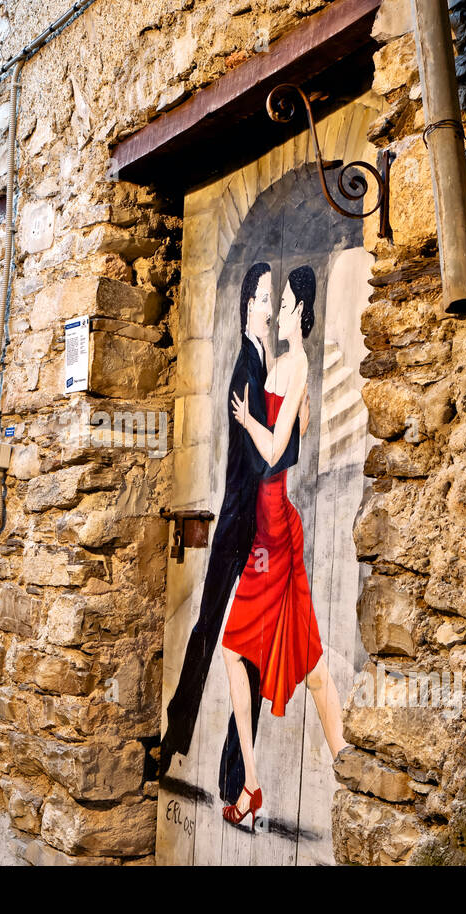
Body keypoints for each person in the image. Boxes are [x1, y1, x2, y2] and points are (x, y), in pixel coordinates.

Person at [220, 265, 348, 831]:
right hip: (271, 526)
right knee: (304, 658)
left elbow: (274, 451)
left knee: (254, 651)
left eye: (289, 304)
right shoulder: (278, 363)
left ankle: (256, 784)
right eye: (280, 303)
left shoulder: (297, 369)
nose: (282, 312)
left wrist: (248, 421)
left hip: (274, 529)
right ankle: (335, 754)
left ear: (304, 314)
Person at [159, 263, 276, 797]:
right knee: (213, 630)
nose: (272, 307)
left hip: (253, 520)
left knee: (235, 640)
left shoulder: (262, 361)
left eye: (274, 296)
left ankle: (227, 772)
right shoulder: (246, 370)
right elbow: (255, 461)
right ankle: (188, 743)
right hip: (239, 522)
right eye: (266, 295)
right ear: (250, 303)